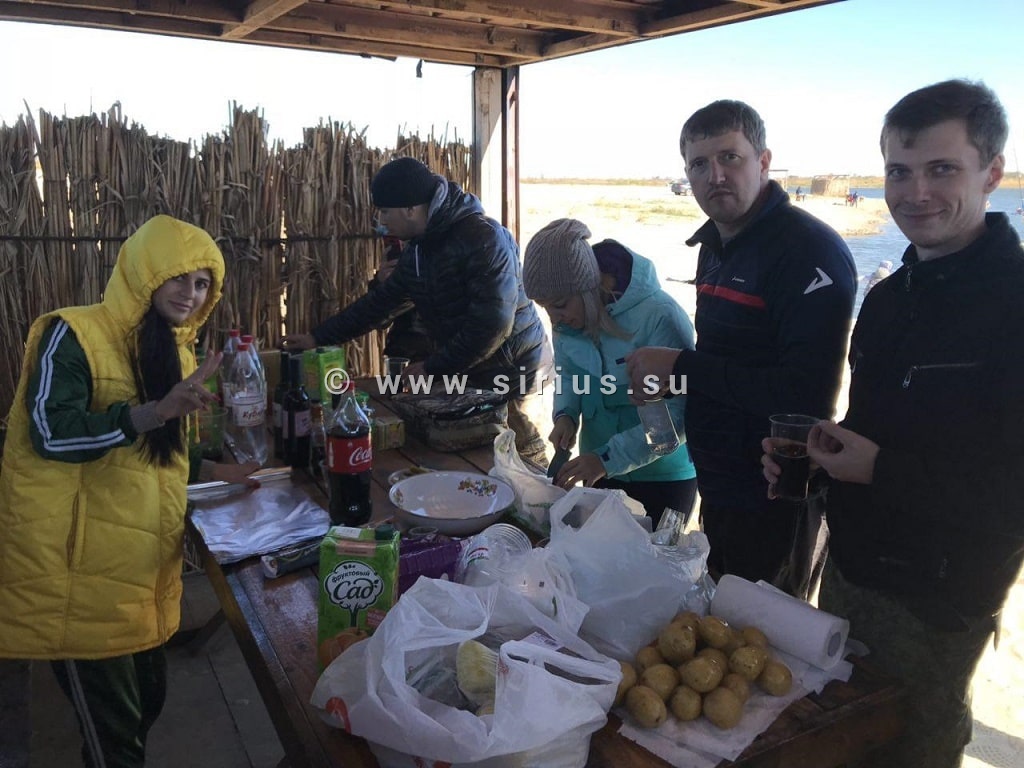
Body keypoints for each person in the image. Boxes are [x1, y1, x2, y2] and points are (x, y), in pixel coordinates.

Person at [763, 79, 1024, 768]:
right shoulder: (886, 298)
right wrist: (822, 461)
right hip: (849, 573)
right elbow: (873, 428)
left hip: (940, 602)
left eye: (942, 169)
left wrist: (878, 469)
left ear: (993, 173)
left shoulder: (1014, 306)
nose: (916, 193)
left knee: (911, 748)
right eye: (899, 172)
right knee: (834, 738)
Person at [0, 214, 259, 768]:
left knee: (146, 707)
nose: (190, 293)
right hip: (77, 578)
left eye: (202, 283)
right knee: (115, 741)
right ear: (144, 272)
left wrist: (213, 470)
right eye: (177, 277)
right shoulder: (73, 334)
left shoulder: (173, 351)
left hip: (139, 570)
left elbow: (150, 458)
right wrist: (157, 411)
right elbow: (50, 435)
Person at [625, 99, 857, 598]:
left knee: (765, 625)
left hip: (777, 492)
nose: (715, 176)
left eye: (730, 157)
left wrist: (681, 365)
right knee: (718, 612)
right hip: (717, 482)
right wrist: (670, 380)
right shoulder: (714, 246)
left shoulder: (807, 250)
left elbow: (805, 397)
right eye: (699, 164)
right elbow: (728, 360)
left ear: (764, 161)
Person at [282, 156, 549, 463]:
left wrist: (433, 368)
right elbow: (381, 303)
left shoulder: (484, 238)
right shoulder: (420, 248)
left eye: (385, 211)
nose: (381, 221)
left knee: (523, 463)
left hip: (514, 373)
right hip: (470, 372)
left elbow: (492, 325)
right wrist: (318, 337)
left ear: (410, 209)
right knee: (480, 463)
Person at [522, 218, 698, 527]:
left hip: (661, 477)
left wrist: (606, 459)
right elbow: (569, 375)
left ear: (589, 288)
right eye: (545, 307)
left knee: (652, 557)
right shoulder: (567, 322)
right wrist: (565, 415)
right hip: (597, 470)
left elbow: (674, 420)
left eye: (560, 305)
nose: (554, 318)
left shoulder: (660, 316)